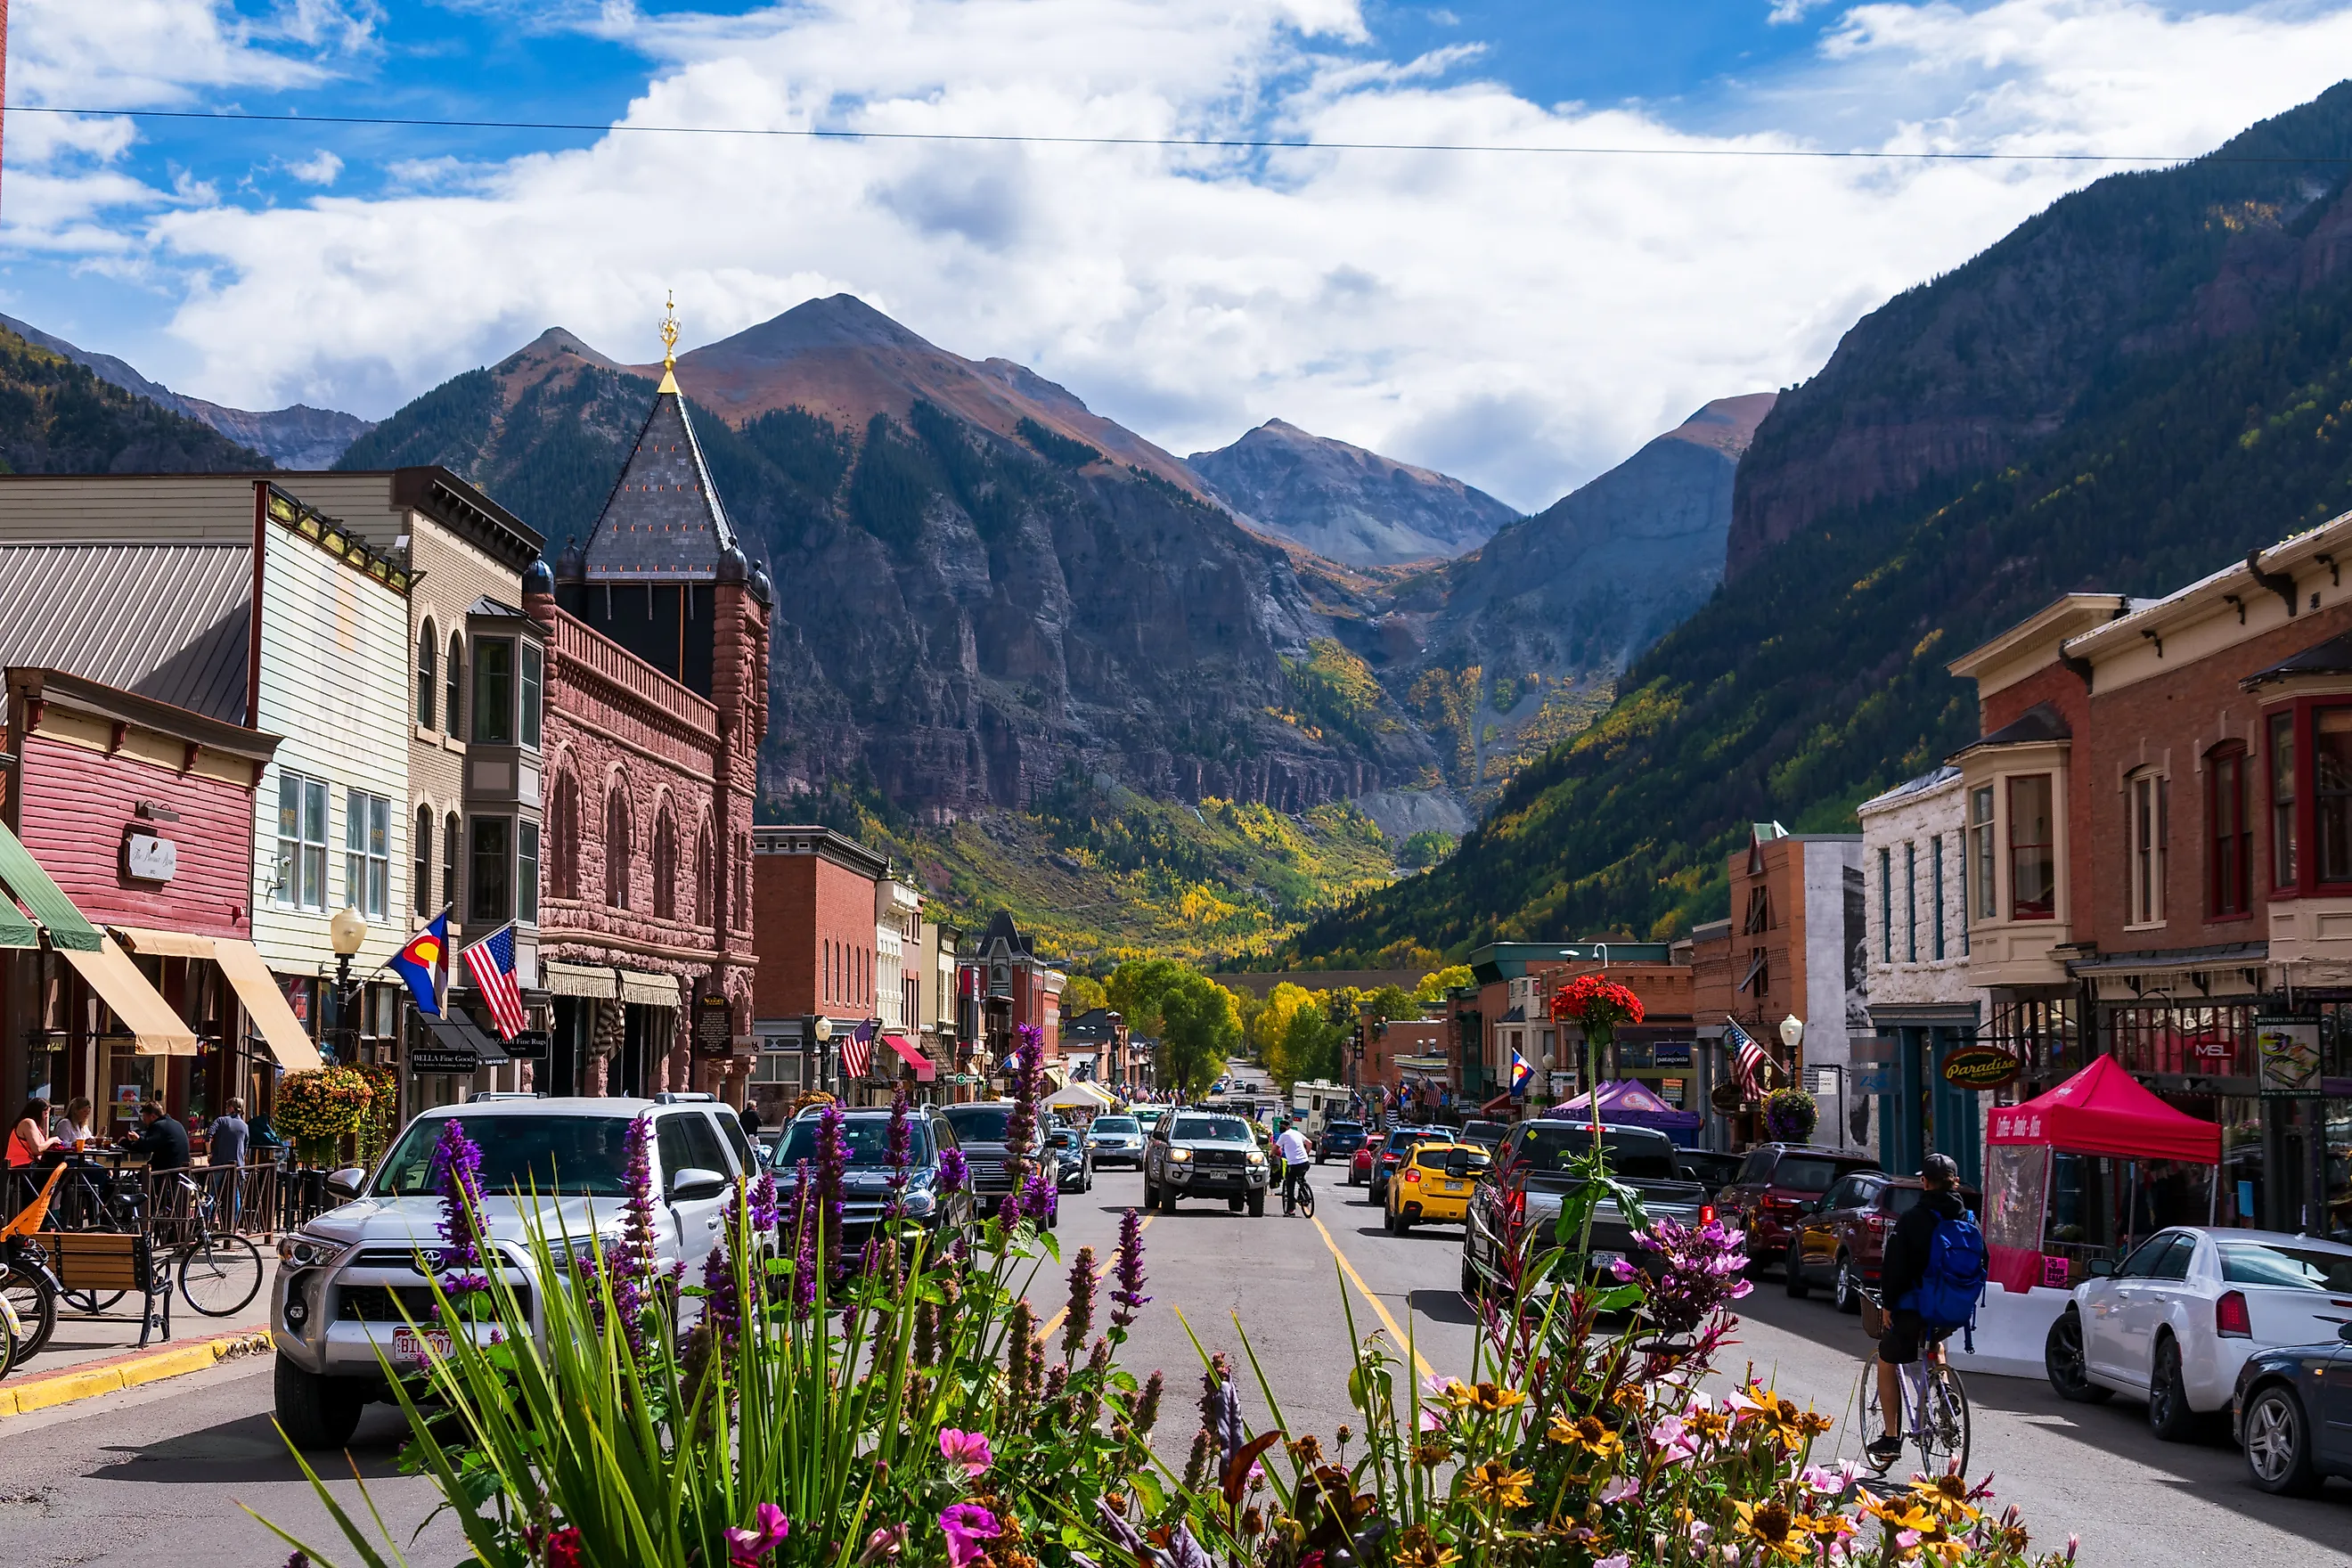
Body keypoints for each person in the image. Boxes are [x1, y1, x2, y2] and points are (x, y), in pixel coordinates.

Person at [1869, 1154, 1980, 1463]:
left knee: (1887, 1359)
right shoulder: (1969, 1219)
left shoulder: (1913, 1219)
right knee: (1936, 1341)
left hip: (1913, 1307)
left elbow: (1895, 1267)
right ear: (1954, 1181)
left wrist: (1889, 1305)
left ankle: (1891, 1438)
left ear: (1924, 1182)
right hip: (1952, 1309)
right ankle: (1944, 1388)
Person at [119, 1101, 192, 1172]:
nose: (144, 1120)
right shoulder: (176, 1124)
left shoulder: (158, 1126)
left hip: (167, 1175)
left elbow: (145, 1147)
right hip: (182, 1172)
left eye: (145, 1116)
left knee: (138, 1178)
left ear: (153, 1116)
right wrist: (139, 1139)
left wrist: (123, 1142)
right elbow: (151, 1140)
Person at [1273, 1117, 1313, 1215]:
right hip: (1305, 1162)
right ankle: (1304, 1195)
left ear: (1287, 1127)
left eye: (1282, 1126)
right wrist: (1306, 1154)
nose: (1281, 1128)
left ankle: (1291, 1210)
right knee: (1301, 1179)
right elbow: (1309, 1143)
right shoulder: (1296, 1133)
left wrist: (1271, 1155)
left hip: (1294, 1164)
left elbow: (1276, 1148)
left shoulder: (1284, 1135)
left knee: (1290, 1186)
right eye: (1280, 1126)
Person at [8, 1097, 56, 1169]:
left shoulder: (36, 1127)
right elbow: (38, 1149)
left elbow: (44, 1144)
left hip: (28, 1165)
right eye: (45, 1113)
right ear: (38, 1112)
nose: (46, 1117)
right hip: (20, 1166)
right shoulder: (28, 1122)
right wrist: (53, 1140)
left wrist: (46, 1123)